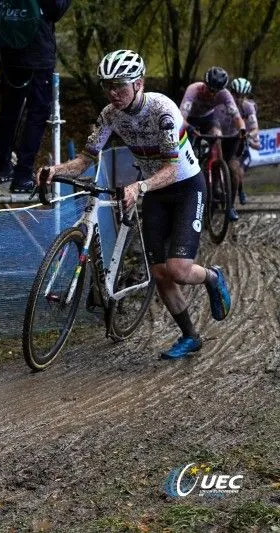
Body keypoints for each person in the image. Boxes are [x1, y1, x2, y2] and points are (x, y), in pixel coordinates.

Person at [38, 49, 232, 360]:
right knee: (159, 273)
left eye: (120, 85)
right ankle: (190, 336)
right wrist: (55, 171)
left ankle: (212, 276)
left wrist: (139, 185)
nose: (113, 93)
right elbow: (86, 160)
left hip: (185, 188)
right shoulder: (110, 115)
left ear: (139, 83)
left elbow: (171, 167)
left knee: (178, 270)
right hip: (155, 190)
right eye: (107, 86)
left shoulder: (163, 110)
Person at [0, 0, 71, 192]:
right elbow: (55, 9)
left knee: (10, 108)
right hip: (35, 52)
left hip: (6, 49)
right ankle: (23, 175)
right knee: (37, 113)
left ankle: (2, 166)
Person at [179, 66, 247, 221]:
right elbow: (180, 118)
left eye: (216, 91)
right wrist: (189, 128)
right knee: (184, 149)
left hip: (208, 119)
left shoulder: (224, 94)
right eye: (209, 90)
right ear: (204, 84)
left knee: (218, 137)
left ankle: (218, 177)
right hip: (189, 120)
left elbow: (237, 117)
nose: (212, 94)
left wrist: (242, 129)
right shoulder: (193, 90)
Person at [229, 77, 261, 205]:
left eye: (242, 96)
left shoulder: (248, 107)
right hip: (229, 139)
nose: (239, 99)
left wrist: (248, 135)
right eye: (236, 95)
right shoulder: (226, 104)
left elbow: (255, 130)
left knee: (238, 172)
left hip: (242, 144)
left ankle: (240, 190)